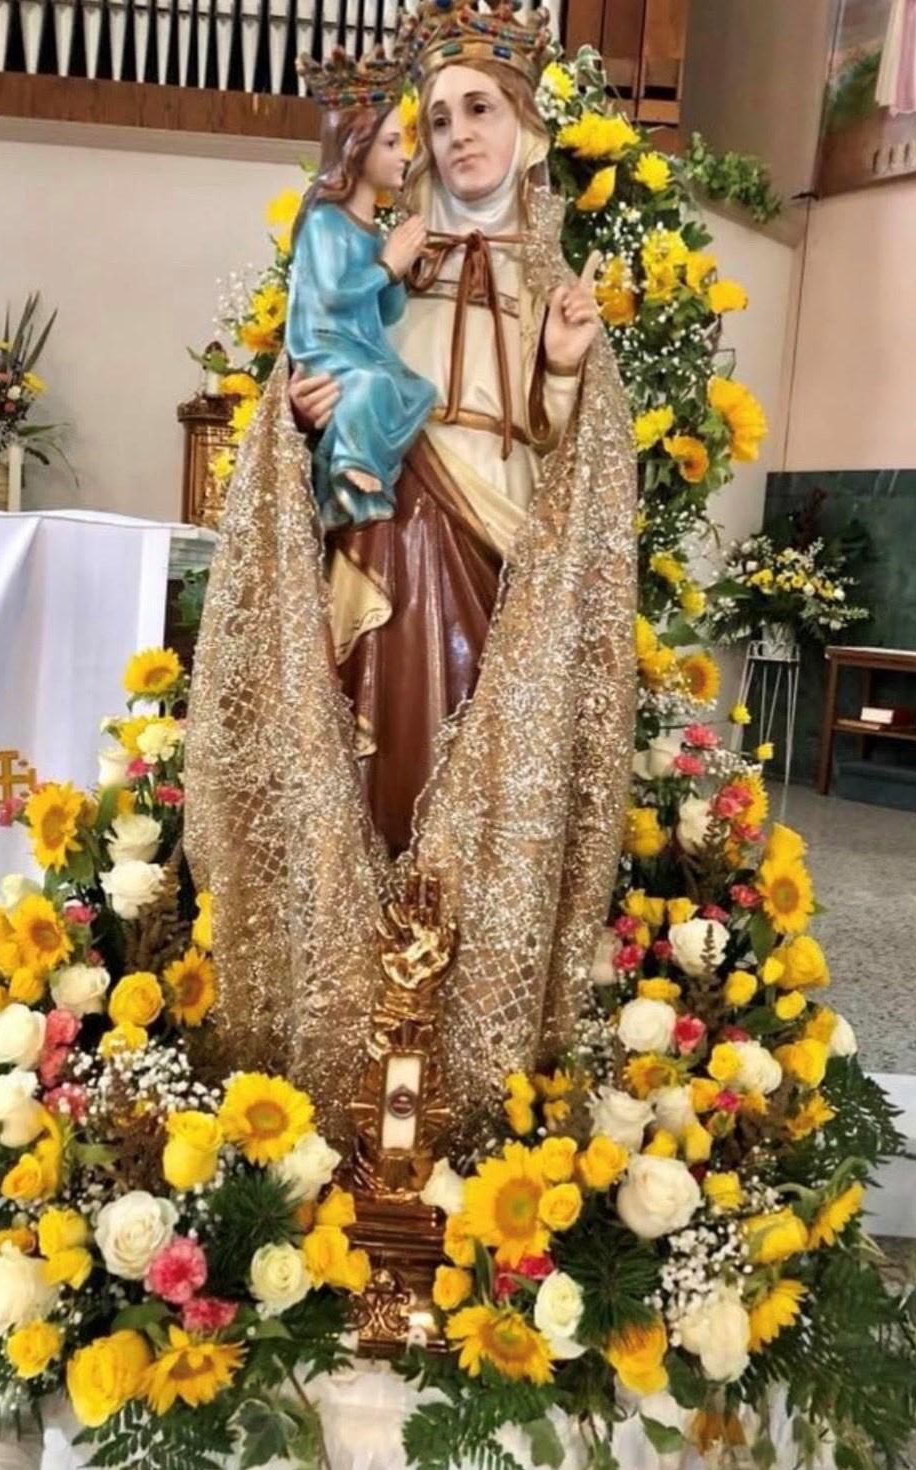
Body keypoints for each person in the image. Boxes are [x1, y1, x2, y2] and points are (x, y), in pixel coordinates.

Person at [185, 2, 638, 1152]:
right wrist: (300, 414)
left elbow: (575, 468)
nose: (457, 135)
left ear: (530, 131)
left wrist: (566, 371)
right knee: (380, 755)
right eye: (436, 119)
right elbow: (309, 391)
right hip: (385, 548)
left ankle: (463, 1029)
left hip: (500, 565)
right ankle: (359, 995)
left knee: (475, 768)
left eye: (480, 108)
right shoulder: (374, 267)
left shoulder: (554, 286)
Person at [286, 50, 436, 530]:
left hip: (362, 346)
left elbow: (387, 312)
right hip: (327, 346)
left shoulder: (372, 231)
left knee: (418, 391)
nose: (404, 154)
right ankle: (347, 468)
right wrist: (388, 265)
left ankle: (350, 475)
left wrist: (402, 270)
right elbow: (334, 293)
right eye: (391, 143)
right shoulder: (325, 220)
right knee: (370, 385)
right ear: (356, 146)